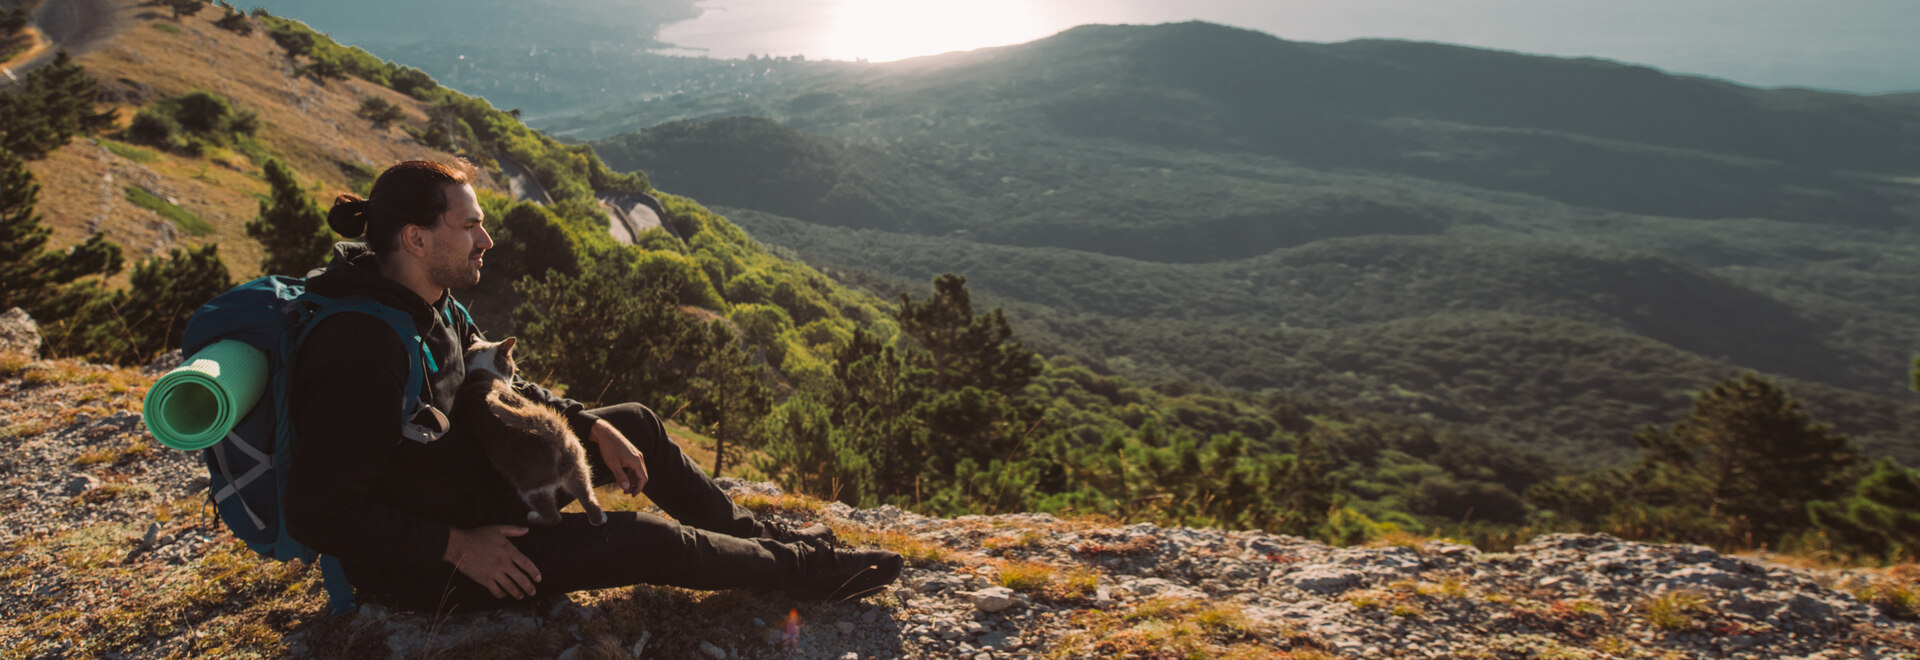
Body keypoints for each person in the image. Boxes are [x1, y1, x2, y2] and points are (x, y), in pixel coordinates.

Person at [284, 160, 902, 613]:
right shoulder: (362, 351)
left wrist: (589, 425)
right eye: (469, 225)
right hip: (436, 562)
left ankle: (758, 537)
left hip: (475, 490)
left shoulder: (432, 304)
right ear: (415, 239)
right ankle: (805, 570)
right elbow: (318, 511)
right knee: (648, 540)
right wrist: (456, 548)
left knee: (633, 421)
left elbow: (499, 386)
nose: (486, 240)